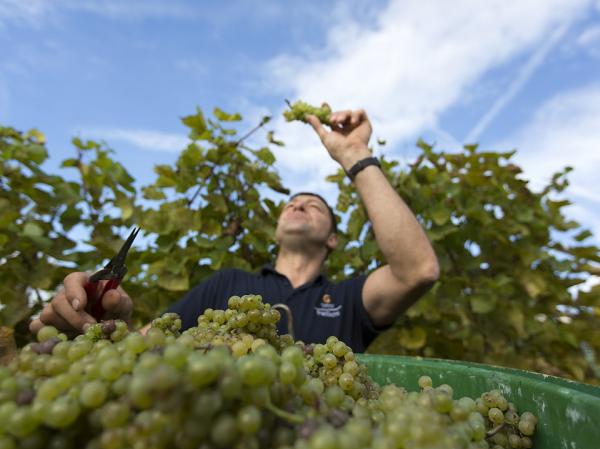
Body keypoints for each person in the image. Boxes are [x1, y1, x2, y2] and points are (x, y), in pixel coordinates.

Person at [29, 108, 439, 352]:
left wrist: (355, 154)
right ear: (277, 230)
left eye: (313, 205)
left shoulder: (348, 299)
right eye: (291, 203)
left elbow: (417, 270)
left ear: (332, 238)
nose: (298, 204)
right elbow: (146, 346)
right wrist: (99, 324)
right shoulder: (226, 284)